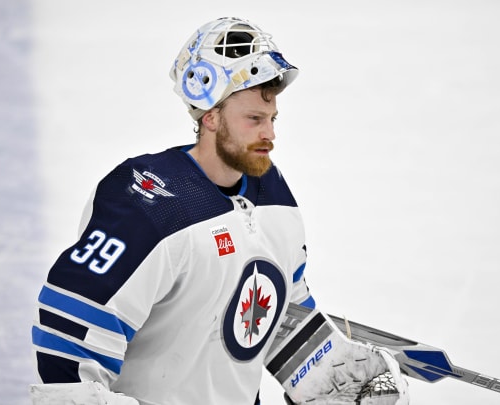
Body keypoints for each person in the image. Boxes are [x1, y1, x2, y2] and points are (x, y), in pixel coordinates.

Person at [30, 17, 408, 405]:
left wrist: (325, 371)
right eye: (254, 119)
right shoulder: (146, 204)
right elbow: (68, 341)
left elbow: (276, 310)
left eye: (272, 119)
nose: (270, 134)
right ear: (210, 116)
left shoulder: (273, 195)